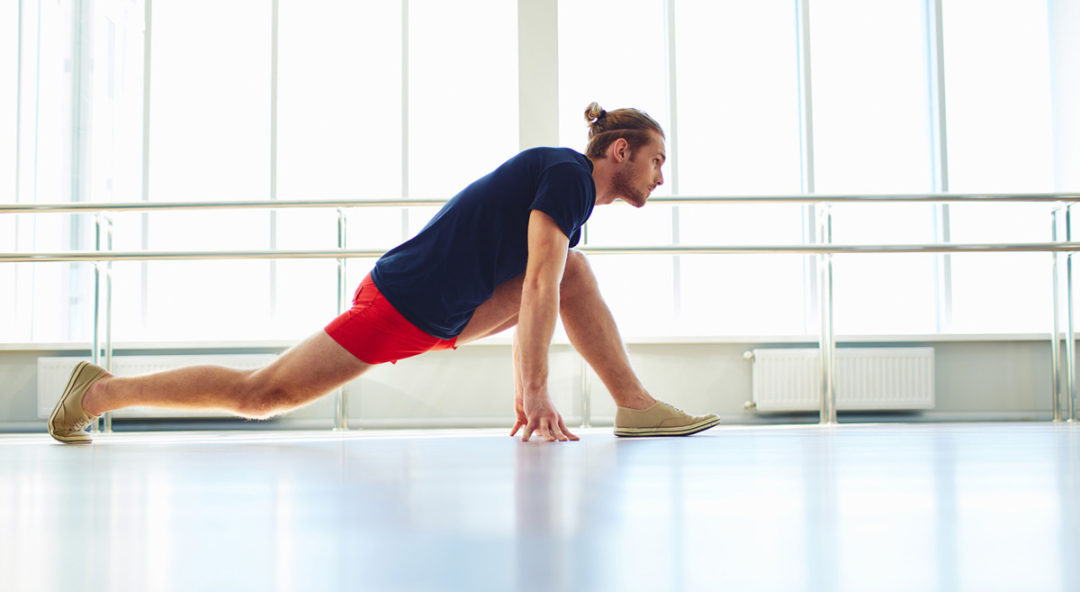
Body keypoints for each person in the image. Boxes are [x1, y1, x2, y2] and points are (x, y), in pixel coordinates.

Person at [48, 102, 721, 445]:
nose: (662, 176)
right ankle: (102, 392)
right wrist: (538, 387)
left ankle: (634, 408)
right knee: (262, 395)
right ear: (621, 150)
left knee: (573, 271)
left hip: (446, 308)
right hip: (408, 300)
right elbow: (539, 285)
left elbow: (543, 282)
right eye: (657, 160)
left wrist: (526, 387)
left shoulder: (569, 190)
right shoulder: (571, 174)